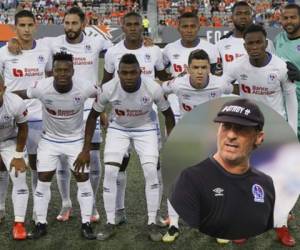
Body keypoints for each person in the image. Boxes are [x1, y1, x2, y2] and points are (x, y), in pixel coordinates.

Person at [74, 53, 175, 241]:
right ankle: (111, 221)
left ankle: (152, 221)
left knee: (151, 171)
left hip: (145, 128)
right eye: (124, 73)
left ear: (140, 72)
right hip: (118, 128)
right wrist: (86, 148)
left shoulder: (152, 88)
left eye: (133, 72)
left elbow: (168, 115)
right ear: (118, 73)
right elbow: (92, 117)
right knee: (111, 171)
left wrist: (171, 142)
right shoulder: (108, 88)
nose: (128, 77)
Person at [14, 52, 97, 240]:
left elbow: (103, 95)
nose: (62, 74)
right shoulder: (42, 87)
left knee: (83, 179)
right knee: (43, 179)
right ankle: (40, 223)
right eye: (58, 70)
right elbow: (20, 94)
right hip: (49, 140)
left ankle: (86, 224)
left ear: (72, 71)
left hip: (75, 140)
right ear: (52, 71)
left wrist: (86, 147)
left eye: (66, 70)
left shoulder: (84, 87)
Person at [102, 11, 172, 227]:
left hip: (147, 118)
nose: (133, 28)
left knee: (154, 168)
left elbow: (163, 78)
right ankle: (119, 211)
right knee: (118, 166)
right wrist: (104, 111)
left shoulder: (154, 50)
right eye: (128, 24)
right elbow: (105, 82)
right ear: (122, 27)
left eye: (136, 24)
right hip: (120, 118)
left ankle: (155, 214)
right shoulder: (112, 52)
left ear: (142, 27)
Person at [170, 98, 275, 239]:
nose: (231, 135)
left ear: (259, 138)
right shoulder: (191, 179)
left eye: (241, 128)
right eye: (226, 126)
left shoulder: (266, 183)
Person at [161, 49, 233, 242]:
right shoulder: (178, 84)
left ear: (210, 69)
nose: (199, 72)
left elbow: (232, 93)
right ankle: (174, 225)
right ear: (187, 69)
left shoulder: (220, 84)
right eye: (195, 68)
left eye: (203, 67)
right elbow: (160, 90)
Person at [0, 10, 52, 223]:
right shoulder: (4, 53)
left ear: (36, 26)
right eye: (22, 25)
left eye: (30, 25)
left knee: (36, 165)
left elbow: (49, 77)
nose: (26, 29)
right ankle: (2, 207)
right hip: (12, 118)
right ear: (14, 28)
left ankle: (35, 210)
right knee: (6, 166)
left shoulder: (45, 50)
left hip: (39, 116)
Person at [221, 24, 298, 134]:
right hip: (249, 123)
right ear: (245, 46)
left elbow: (291, 99)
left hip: (275, 125)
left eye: (258, 42)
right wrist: (232, 88)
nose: (255, 47)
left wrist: (292, 130)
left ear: (266, 44)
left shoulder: (281, 66)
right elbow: (221, 85)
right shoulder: (237, 65)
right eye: (250, 43)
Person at [273, 3, 300, 246]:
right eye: (285, 18)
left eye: (292, 17)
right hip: (287, 114)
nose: (288, 21)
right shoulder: (278, 39)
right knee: (286, 168)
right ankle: (284, 213)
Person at [163, 12, 219, 122]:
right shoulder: (169, 49)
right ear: (178, 28)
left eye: (193, 26)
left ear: (198, 27)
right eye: (185, 26)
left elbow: (214, 76)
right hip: (176, 104)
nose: (189, 30)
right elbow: (161, 74)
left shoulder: (211, 48)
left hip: (204, 103)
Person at [0, 79, 29, 240]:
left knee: (19, 174)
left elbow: (24, 128)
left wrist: (18, 156)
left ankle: (19, 223)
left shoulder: (15, 103)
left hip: (10, 140)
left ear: (3, 89)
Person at [215, 1, 275, 74]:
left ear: (252, 17)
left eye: (247, 13)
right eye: (238, 13)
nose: (243, 17)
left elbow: (273, 68)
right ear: (232, 17)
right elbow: (217, 72)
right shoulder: (221, 43)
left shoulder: (265, 42)